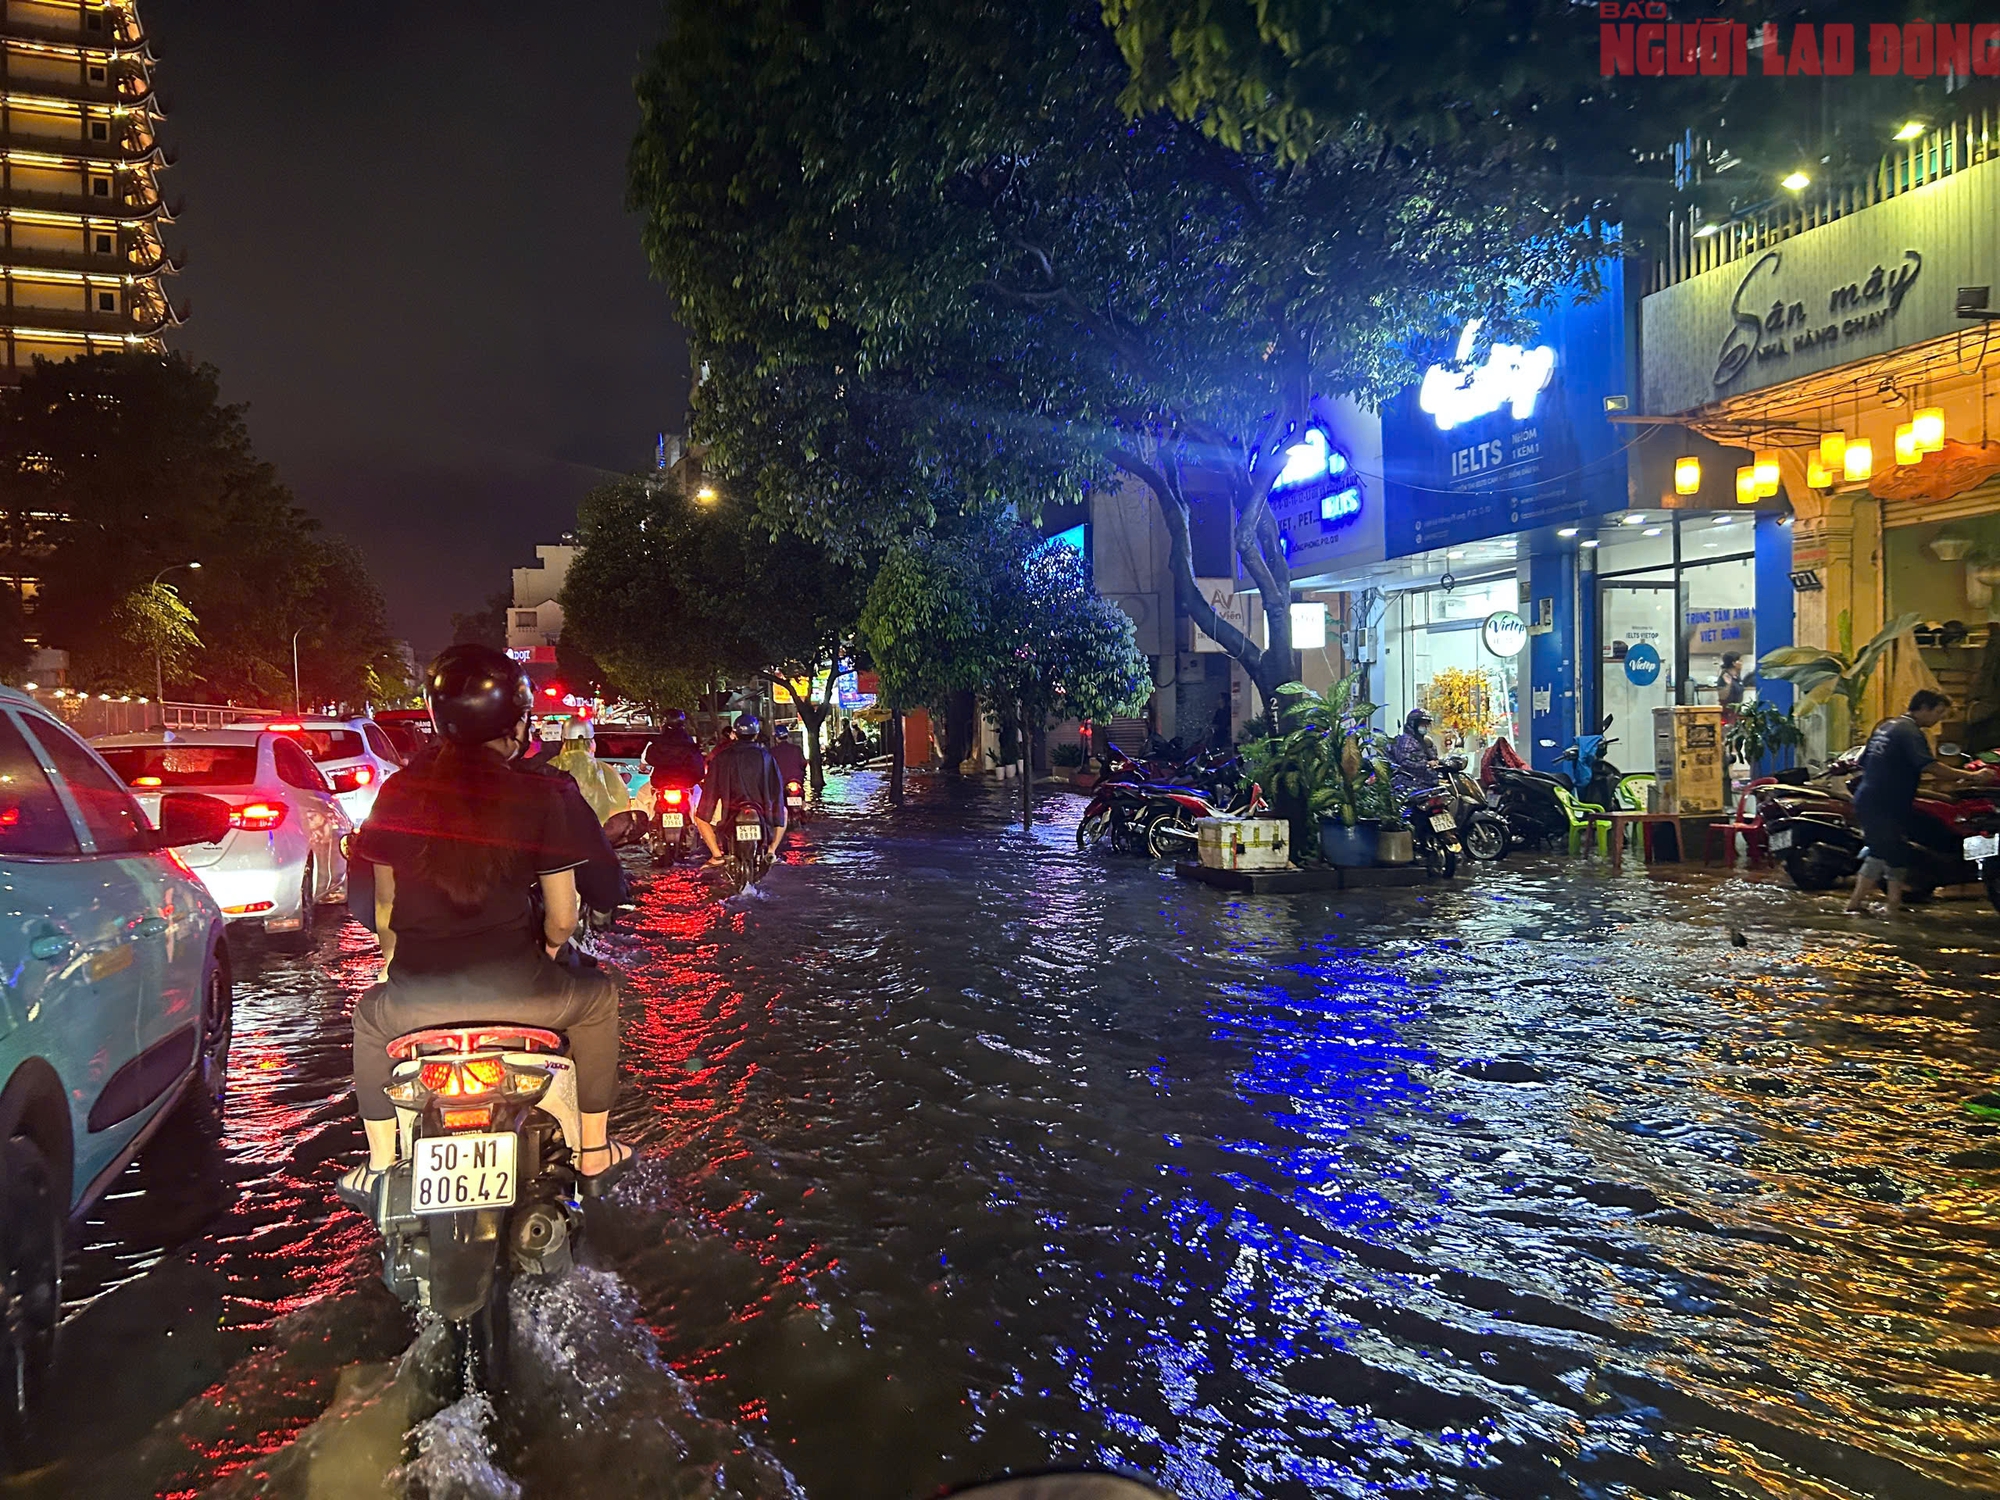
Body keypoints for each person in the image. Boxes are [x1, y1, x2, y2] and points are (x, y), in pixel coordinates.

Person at [339, 644, 634, 1206]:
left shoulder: (398, 792)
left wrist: (396, 968)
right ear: (518, 720)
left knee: (370, 1020)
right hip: (525, 997)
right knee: (598, 1001)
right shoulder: (544, 791)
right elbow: (565, 914)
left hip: (415, 1001)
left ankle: (379, 1164)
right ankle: (593, 1151)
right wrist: (545, 954)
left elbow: (382, 912)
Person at [1846, 689, 1994, 918]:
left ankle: (1893, 903)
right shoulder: (1910, 732)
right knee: (1883, 851)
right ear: (1924, 707)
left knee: (1893, 851)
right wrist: (1971, 777)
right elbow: (1929, 766)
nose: (1938, 719)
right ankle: (1856, 904)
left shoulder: (1886, 726)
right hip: (1883, 802)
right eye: (1938, 712)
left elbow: (1863, 760)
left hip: (1877, 798)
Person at [693, 713, 787, 864]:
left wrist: (706, 809)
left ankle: (716, 856)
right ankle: (771, 852)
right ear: (756, 734)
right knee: (784, 811)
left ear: (734, 734)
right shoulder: (766, 757)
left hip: (730, 811)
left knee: (699, 817)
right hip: (761, 812)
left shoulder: (721, 757)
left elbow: (710, 790)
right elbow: (777, 790)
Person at [550, 716, 633, 824]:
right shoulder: (607, 770)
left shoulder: (549, 767)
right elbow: (621, 811)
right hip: (598, 836)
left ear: (564, 741)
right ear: (591, 742)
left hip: (557, 836)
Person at [1388, 708, 1441, 795]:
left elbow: (1434, 758)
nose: (1425, 727)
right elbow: (1407, 762)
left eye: (1426, 724)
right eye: (1422, 724)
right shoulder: (1405, 741)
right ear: (1413, 724)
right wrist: (1427, 764)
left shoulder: (1425, 741)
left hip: (1427, 784)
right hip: (1408, 783)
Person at [770, 722, 808, 789]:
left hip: (781, 784)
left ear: (776, 738)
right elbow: (803, 763)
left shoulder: (772, 752)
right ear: (787, 736)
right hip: (797, 781)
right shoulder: (797, 749)